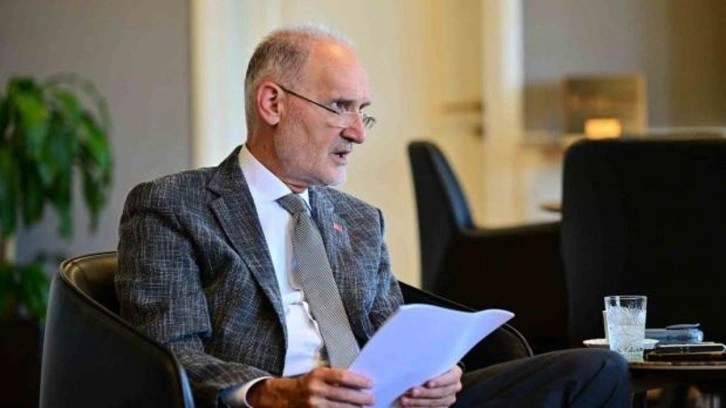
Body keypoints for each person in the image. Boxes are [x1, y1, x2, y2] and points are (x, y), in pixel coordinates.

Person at [116, 24, 630, 407]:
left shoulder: (360, 220)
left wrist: (436, 377)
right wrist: (273, 393)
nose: (358, 132)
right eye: (340, 107)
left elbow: (396, 340)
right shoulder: (173, 205)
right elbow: (168, 356)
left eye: (363, 112)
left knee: (597, 368)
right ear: (272, 103)